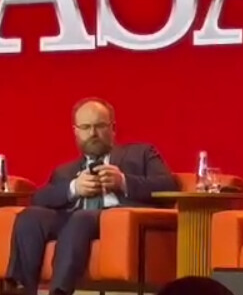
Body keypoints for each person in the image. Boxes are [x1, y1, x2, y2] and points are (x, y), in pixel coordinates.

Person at [5, 98, 179, 295]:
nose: (93, 133)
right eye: (86, 127)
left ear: (113, 128)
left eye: (99, 126)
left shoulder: (141, 154)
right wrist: (74, 188)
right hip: (73, 221)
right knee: (30, 217)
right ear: (76, 131)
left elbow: (168, 186)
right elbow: (39, 199)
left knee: (81, 217)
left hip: (115, 220)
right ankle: (19, 290)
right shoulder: (65, 171)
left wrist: (123, 181)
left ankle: (59, 292)